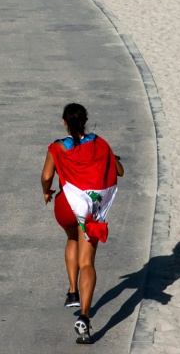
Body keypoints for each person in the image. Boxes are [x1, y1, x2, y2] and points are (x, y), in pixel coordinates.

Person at [41, 102, 123, 345]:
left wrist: (47, 192)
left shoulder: (57, 147)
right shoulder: (100, 143)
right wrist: (111, 158)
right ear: (85, 121)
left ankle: (72, 291)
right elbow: (119, 171)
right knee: (88, 261)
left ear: (64, 122)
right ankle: (84, 317)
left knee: (71, 238)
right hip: (89, 209)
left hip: (66, 206)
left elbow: (46, 176)